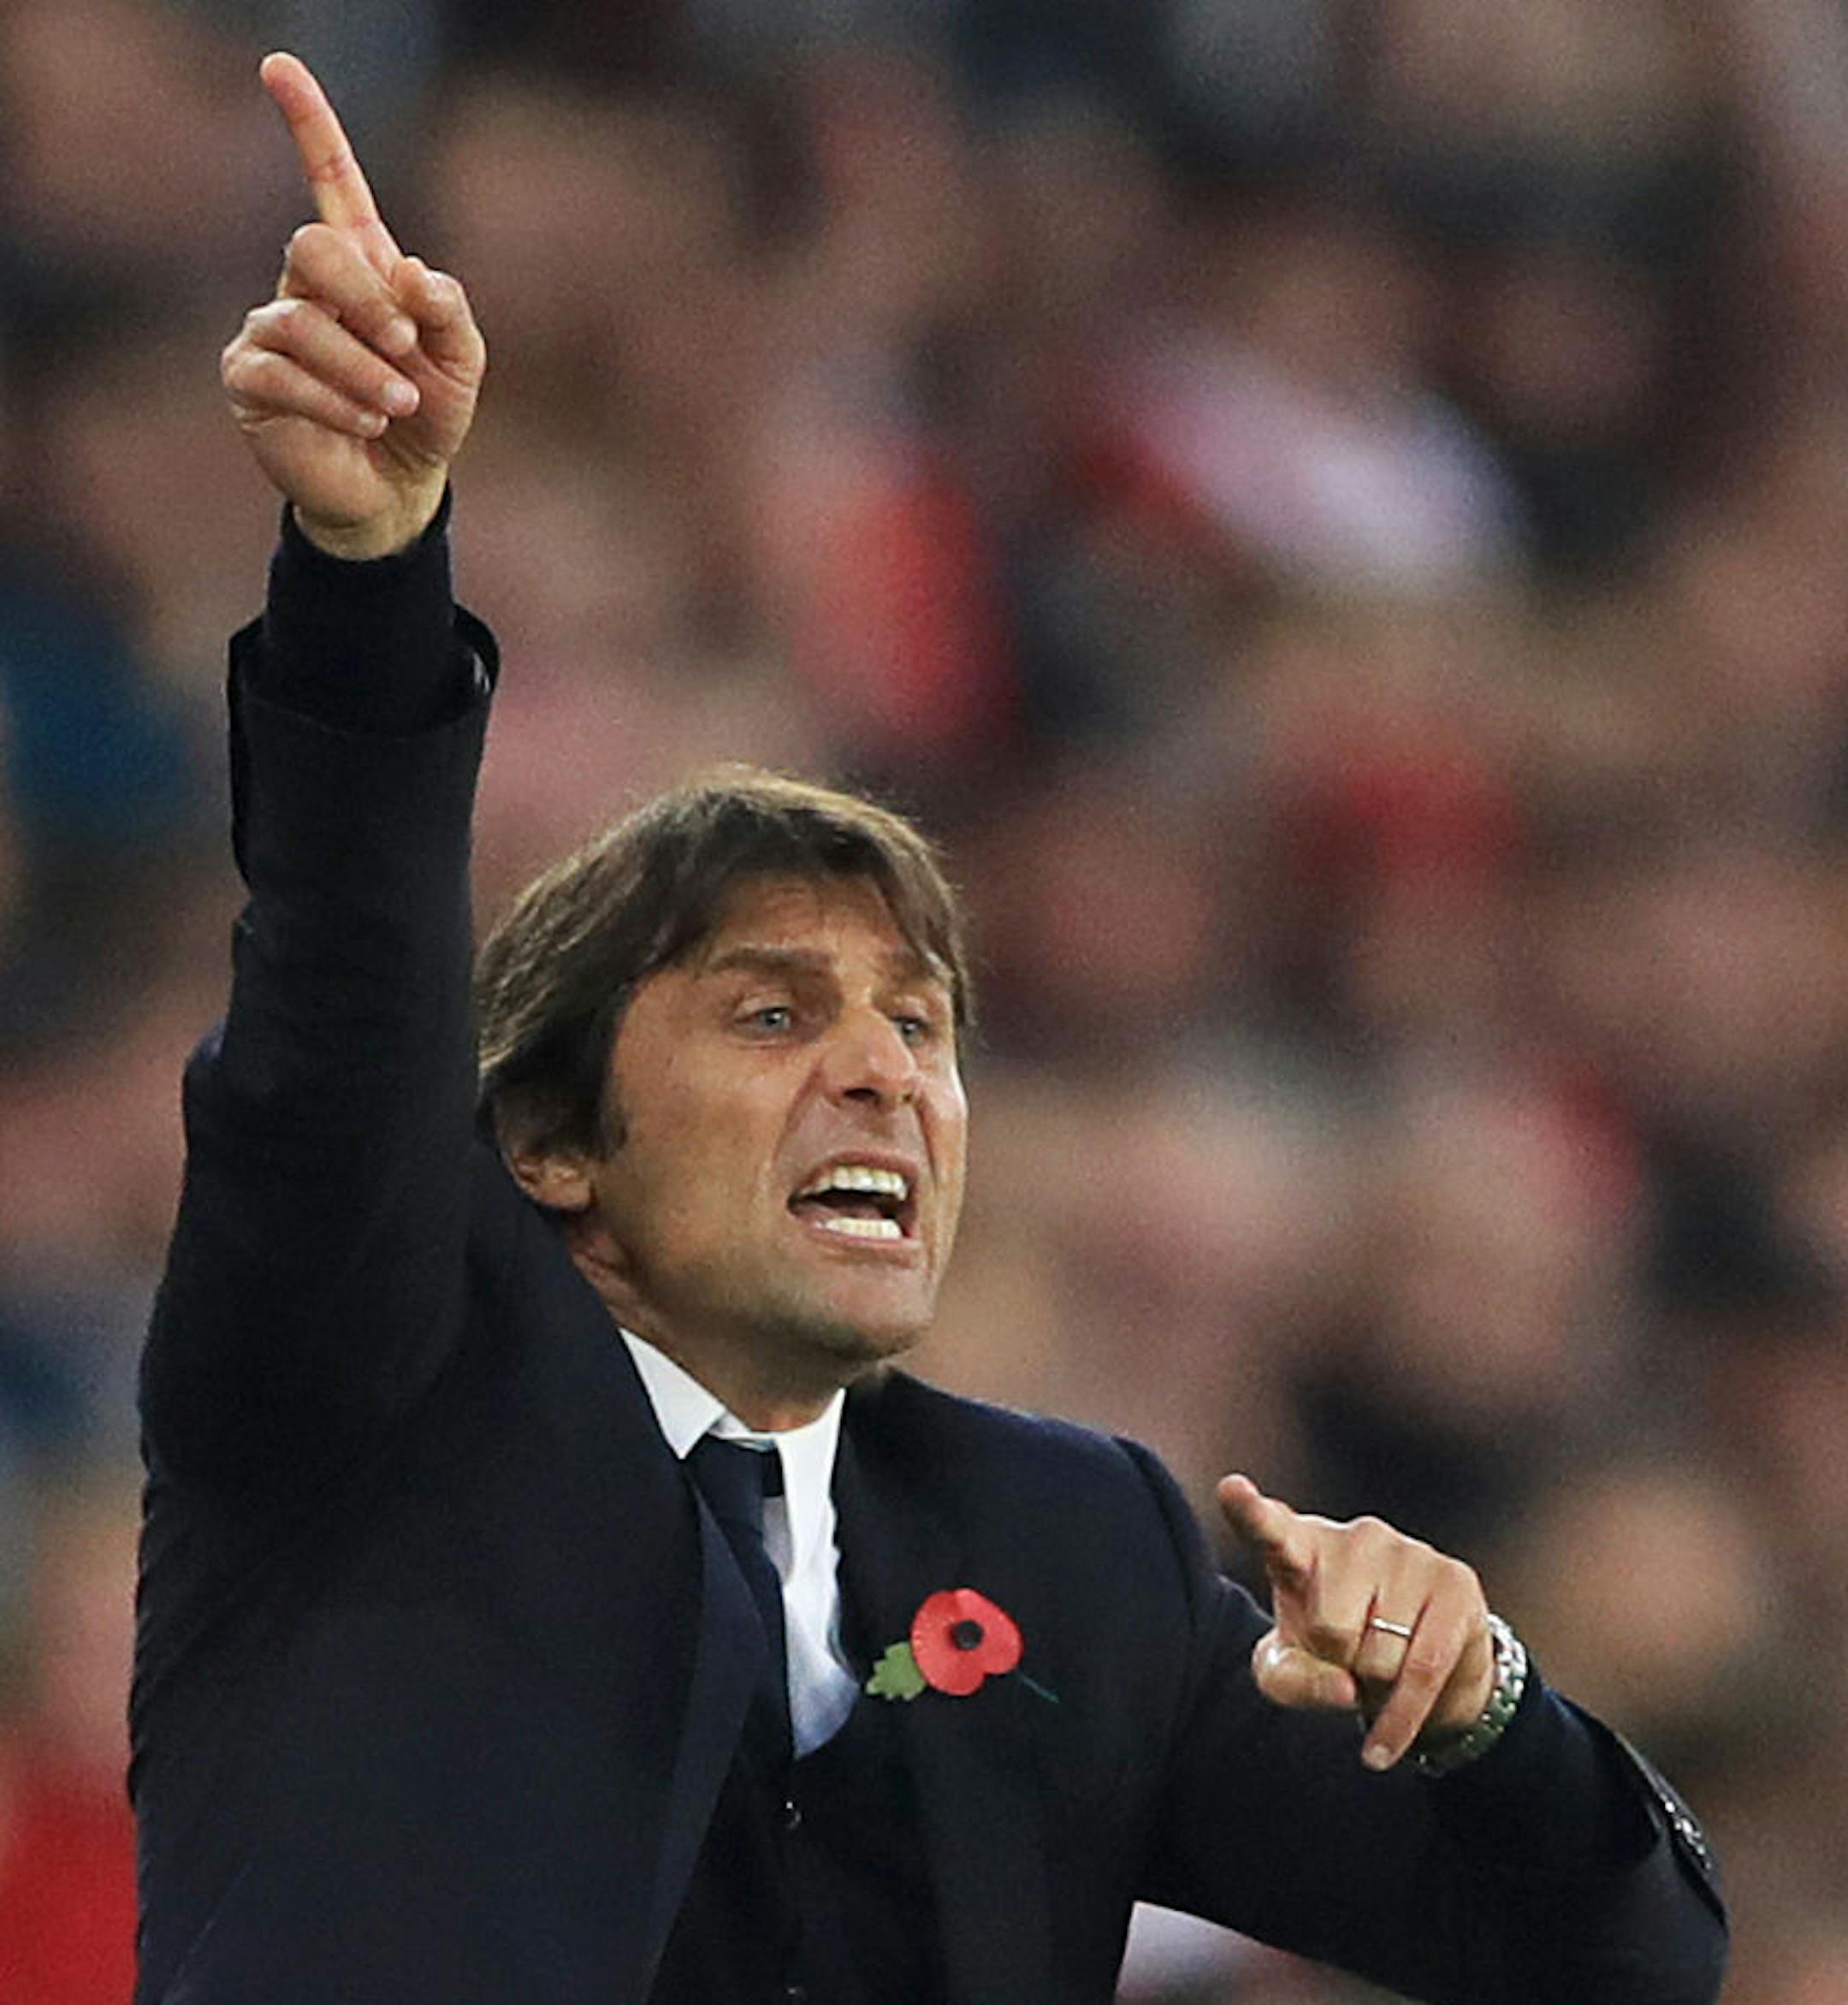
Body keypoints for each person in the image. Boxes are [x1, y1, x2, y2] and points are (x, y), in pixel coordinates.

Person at [131, 53, 1727, 2005]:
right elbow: (339, 1010)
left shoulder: (1077, 1546)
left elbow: (1621, 1958)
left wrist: (1485, 1702)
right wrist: (367, 572)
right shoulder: (364, 1384)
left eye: (925, 1021)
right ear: (552, 1142)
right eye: (774, 1009)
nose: (885, 1067)